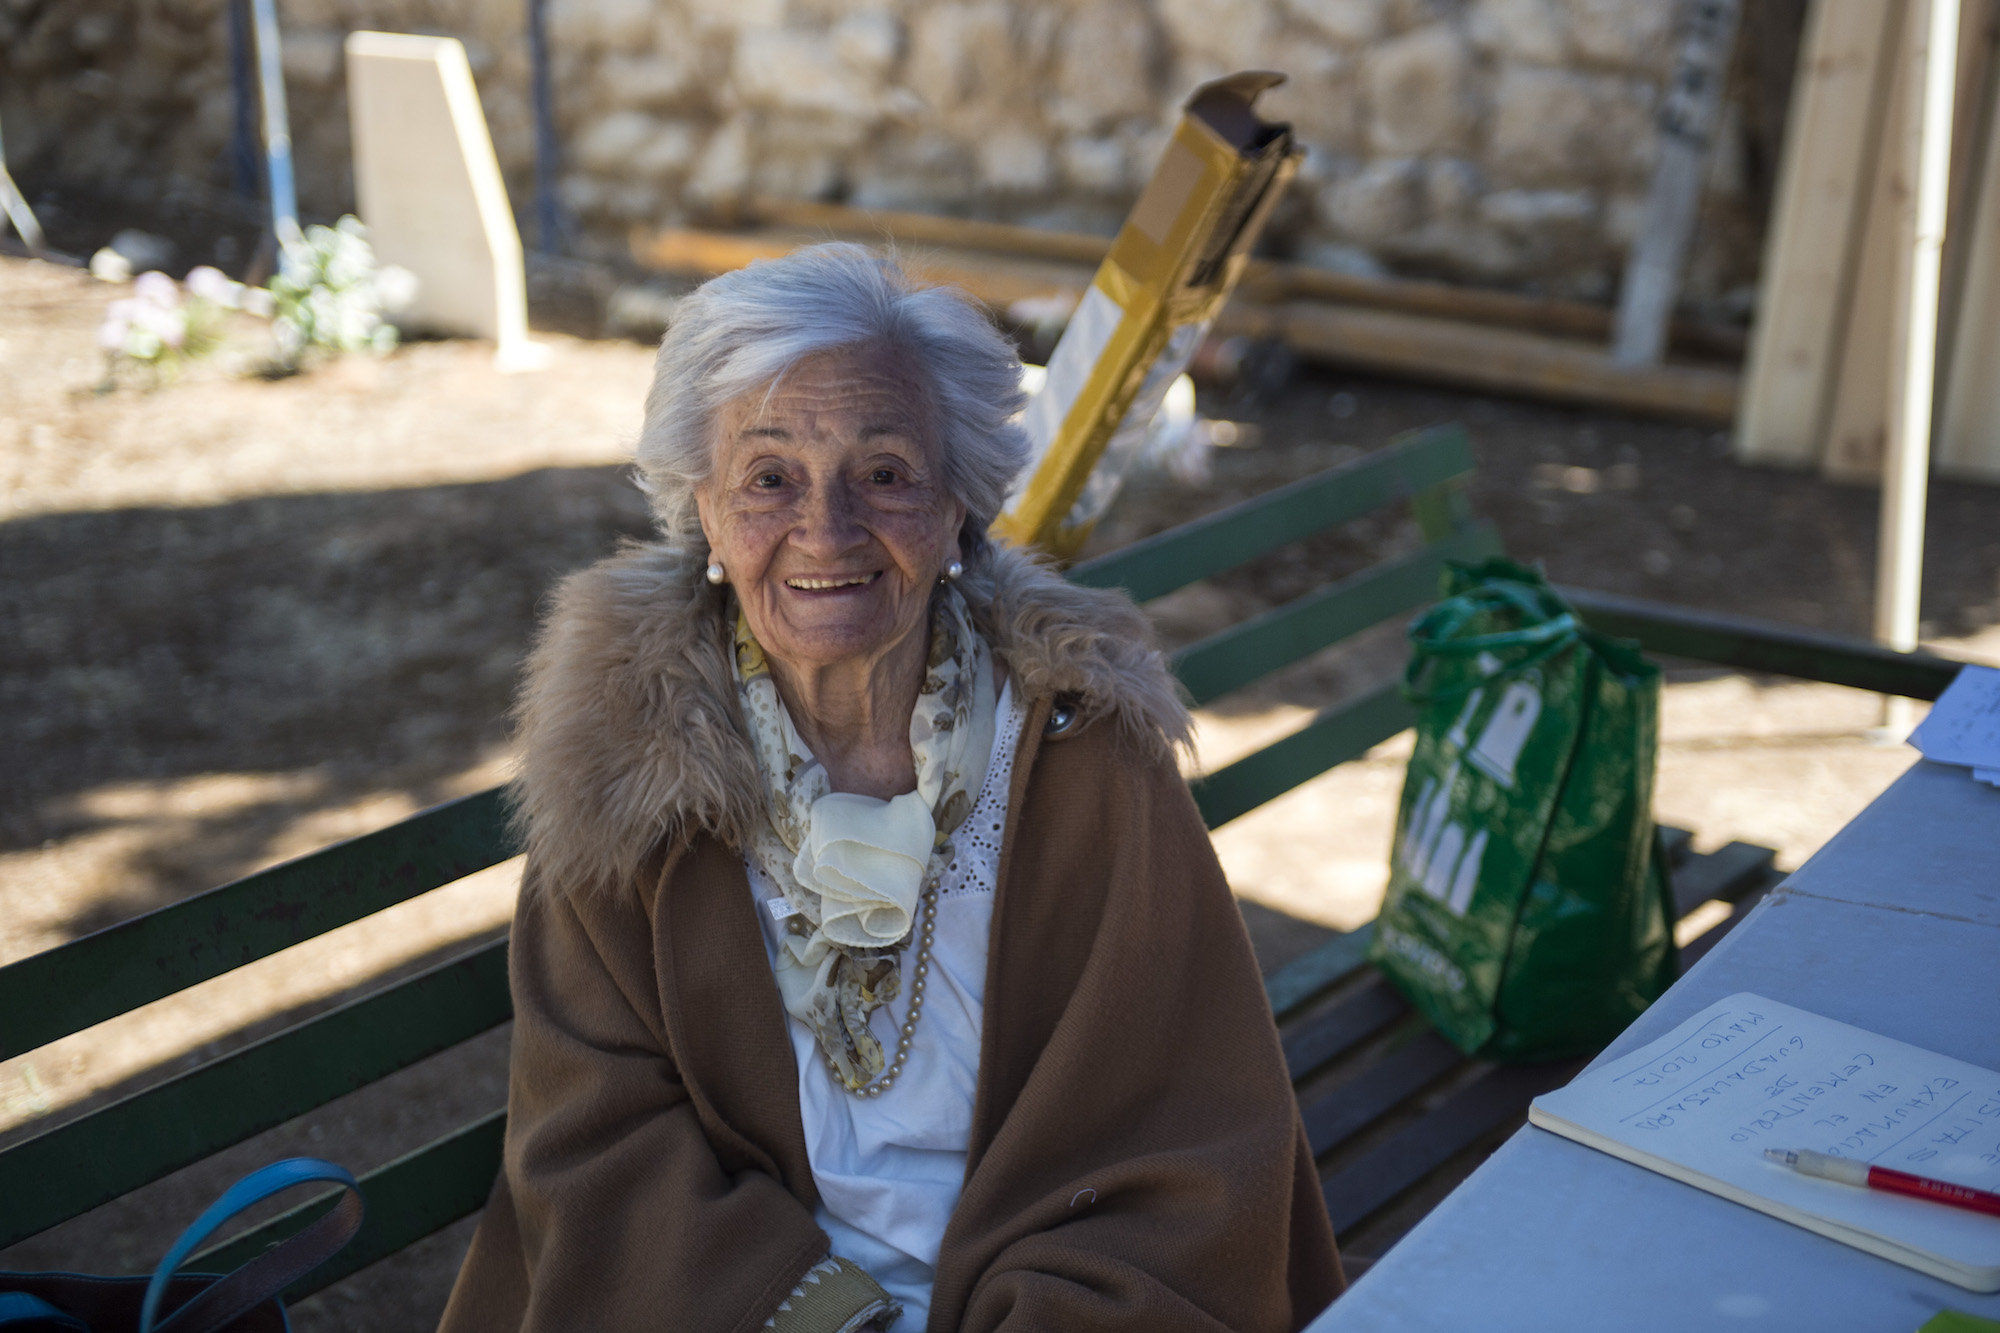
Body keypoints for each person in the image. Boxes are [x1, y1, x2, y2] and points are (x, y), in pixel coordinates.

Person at [438, 244, 1343, 1332]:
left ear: (959, 507)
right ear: (707, 519)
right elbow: (598, 1136)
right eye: (768, 477)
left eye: (884, 473)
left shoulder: (1080, 754)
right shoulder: (625, 771)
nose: (825, 529)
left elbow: (1187, 1127)